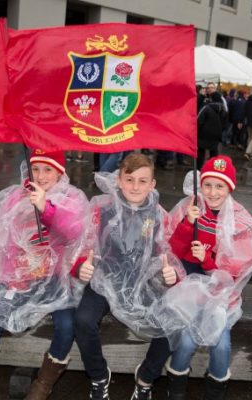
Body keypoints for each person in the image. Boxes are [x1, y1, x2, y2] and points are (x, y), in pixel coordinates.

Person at [0, 149, 91, 400]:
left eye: (48, 170)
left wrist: (47, 208)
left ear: (60, 172)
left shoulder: (71, 199)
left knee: (66, 327)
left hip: (56, 280)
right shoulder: (16, 196)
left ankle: (43, 385)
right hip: (19, 276)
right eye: (36, 169)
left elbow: (74, 232)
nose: (41, 175)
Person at [133, 156, 252, 400]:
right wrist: (187, 223)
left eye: (219, 186)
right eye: (208, 185)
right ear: (200, 185)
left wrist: (208, 260)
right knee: (185, 341)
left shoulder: (240, 220)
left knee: (221, 346)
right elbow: (171, 248)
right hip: (188, 289)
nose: (212, 192)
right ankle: (173, 386)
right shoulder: (189, 206)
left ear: (230, 188)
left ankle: (214, 391)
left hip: (219, 294)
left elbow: (236, 270)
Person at [74, 153, 183, 400]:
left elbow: (169, 253)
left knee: (171, 323)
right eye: (129, 179)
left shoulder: (159, 216)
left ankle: (145, 378)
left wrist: (171, 274)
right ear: (119, 181)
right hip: (105, 280)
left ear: (153, 184)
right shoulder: (102, 209)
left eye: (143, 181)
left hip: (142, 282)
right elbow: (82, 246)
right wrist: (81, 266)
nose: (135, 186)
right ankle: (99, 376)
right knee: (82, 320)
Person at [196, 92, 227, 169]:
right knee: (214, 153)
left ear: (211, 98)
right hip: (216, 135)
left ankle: (198, 170)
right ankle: (215, 169)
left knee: (200, 153)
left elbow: (199, 121)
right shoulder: (224, 109)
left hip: (203, 134)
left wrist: (197, 132)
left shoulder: (206, 108)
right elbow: (225, 124)